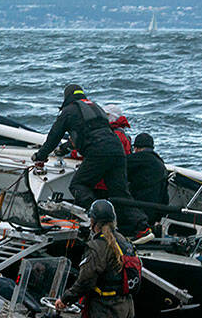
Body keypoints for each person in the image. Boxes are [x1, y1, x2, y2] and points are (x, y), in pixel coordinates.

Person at [32, 84, 147, 237]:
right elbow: (93, 132)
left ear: (67, 97)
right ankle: (143, 228)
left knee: (79, 185)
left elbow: (54, 136)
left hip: (99, 152)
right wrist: (66, 148)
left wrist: (40, 156)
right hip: (117, 150)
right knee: (120, 194)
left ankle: (99, 220)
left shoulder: (69, 111)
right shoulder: (96, 107)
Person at [56, 199, 135, 318]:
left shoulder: (97, 246)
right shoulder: (124, 241)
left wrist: (65, 299)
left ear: (93, 222)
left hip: (106, 310)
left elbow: (85, 280)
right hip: (126, 306)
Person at [126, 132, 169, 207]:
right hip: (157, 209)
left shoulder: (134, 159)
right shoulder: (160, 163)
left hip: (139, 207)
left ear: (136, 148)